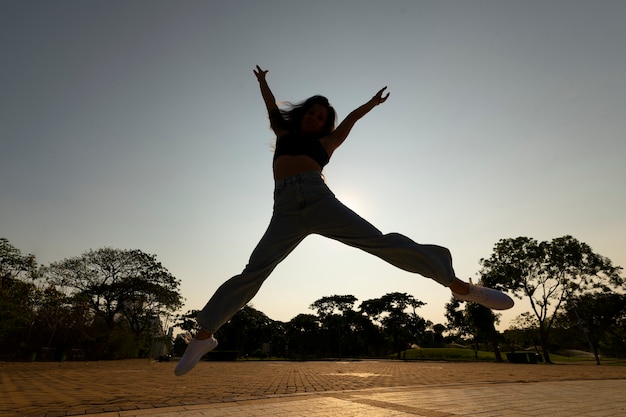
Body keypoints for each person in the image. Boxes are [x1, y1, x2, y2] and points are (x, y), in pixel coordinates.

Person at [174, 65, 513, 376]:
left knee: (381, 243)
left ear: (325, 123)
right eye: (311, 112)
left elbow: (350, 119)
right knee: (254, 271)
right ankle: (204, 337)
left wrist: (370, 104)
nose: (315, 118)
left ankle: (462, 287)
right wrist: (264, 82)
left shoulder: (328, 141)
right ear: (304, 115)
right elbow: (271, 106)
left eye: (321, 116)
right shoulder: (283, 131)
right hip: (286, 210)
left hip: (321, 201)